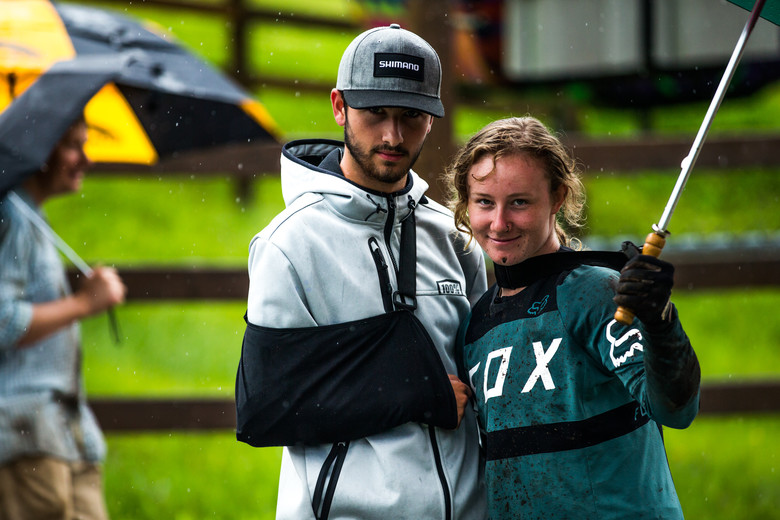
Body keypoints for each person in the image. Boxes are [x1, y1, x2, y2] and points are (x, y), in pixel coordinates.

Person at [235, 24, 487, 520]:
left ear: (432, 121)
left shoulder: (456, 239)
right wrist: (415, 389)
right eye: (375, 114)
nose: (393, 135)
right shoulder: (289, 245)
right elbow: (267, 407)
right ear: (338, 106)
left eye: (411, 116)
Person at [445, 116, 701, 519]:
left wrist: (660, 321)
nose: (498, 223)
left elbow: (675, 409)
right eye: (484, 202)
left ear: (558, 197)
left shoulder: (594, 293)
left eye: (519, 202)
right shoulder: (475, 325)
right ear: (465, 203)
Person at [0, 117, 126, 520]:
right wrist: (83, 304)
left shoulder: (29, 214)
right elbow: (2, 321)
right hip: (24, 433)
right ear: (38, 149)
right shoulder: (12, 215)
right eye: (73, 146)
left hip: (60, 433)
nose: (85, 159)